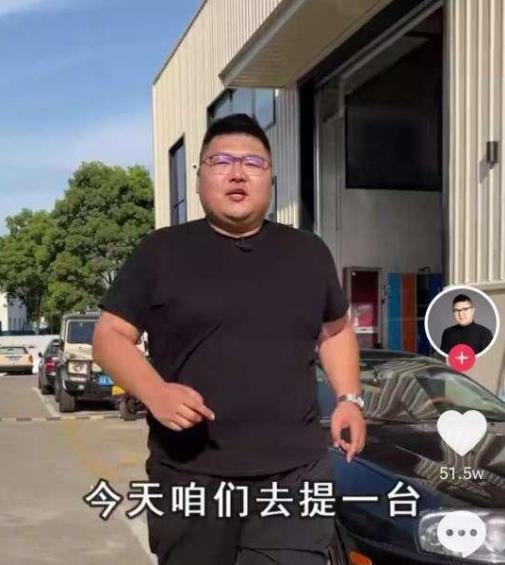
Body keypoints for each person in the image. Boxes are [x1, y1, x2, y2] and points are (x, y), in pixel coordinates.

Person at [93, 113, 366, 565]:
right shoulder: (160, 252)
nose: (237, 173)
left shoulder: (308, 252)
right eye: (221, 161)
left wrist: (349, 399)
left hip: (294, 476)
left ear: (270, 179)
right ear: (199, 178)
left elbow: (335, 331)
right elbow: (109, 337)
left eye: (253, 163)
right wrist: (155, 392)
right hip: (190, 475)